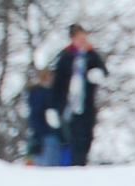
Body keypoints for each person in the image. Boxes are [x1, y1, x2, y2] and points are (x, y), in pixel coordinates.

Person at [47, 24, 108, 166]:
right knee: (75, 139)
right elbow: (57, 84)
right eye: (79, 38)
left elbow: (103, 71)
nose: (82, 41)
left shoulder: (91, 55)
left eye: (84, 38)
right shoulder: (65, 57)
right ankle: (76, 166)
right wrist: (52, 107)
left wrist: (97, 73)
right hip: (70, 107)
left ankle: (82, 163)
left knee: (87, 137)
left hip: (87, 105)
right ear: (73, 39)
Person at [24, 69, 66, 166]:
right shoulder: (39, 93)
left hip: (50, 135)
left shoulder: (52, 92)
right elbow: (37, 115)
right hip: (45, 135)